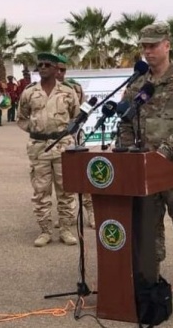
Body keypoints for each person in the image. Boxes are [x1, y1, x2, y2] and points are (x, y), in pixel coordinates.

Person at [119, 23, 173, 304]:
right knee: (149, 225)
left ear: (167, 45)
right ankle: (151, 274)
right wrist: (127, 151)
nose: (147, 51)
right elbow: (126, 121)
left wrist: (165, 150)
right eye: (144, 46)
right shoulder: (135, 84)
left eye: (153, 45)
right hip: (145, 170)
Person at [17, 52, 80, 247]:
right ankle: (45, 230)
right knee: (40, 191)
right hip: (39, 149)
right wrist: (38, 131)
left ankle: (66, 229)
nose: (42, 68)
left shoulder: (68, 92)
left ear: (55, 68)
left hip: (62, 147)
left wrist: (60, 133)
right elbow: (22, 117)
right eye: (40, 65)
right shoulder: (29, 92)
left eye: (47, 65)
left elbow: (76, 117)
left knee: (66, 190)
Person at [55, 54, 96, 229]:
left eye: (63, 70)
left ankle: (91, 212)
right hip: (55, 143)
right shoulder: (40, 89)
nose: (59, 73)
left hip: (75, 139)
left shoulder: (75, 88)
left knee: (83, 176)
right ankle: (68, 214)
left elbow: (84, 110)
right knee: (63, 180)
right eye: (56, 69)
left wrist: (76, 125)